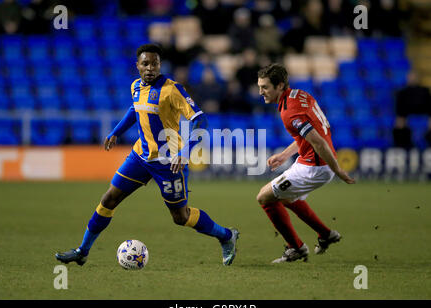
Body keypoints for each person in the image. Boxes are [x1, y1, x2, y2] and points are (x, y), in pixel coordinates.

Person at [55, 44, 239, 266]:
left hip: (168, 162)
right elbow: (135, 109)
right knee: (108, 199)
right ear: (138, 66)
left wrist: (184, 152)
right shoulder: (135, 86)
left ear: (160, 65)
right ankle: (82, 251)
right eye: (145, 63)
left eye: (155, 63)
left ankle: (227, 236)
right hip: (140, 157)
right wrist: (116, 132)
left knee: (180, 217)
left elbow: (201, 120)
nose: (150, 68)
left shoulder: (172, 89)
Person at [256, 63, 355, 263]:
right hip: (310, 161)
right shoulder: (298, 95)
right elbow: (309, 136)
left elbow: (317, 141)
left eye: (265, 87)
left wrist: (337, 170)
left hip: (314, 168)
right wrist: (285, 155)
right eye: (260, 87)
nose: (261, 92)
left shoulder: (289, 112)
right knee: (284, 198)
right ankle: (326, 234)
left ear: (280, 85)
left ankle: (296, 248)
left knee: (264, 198)